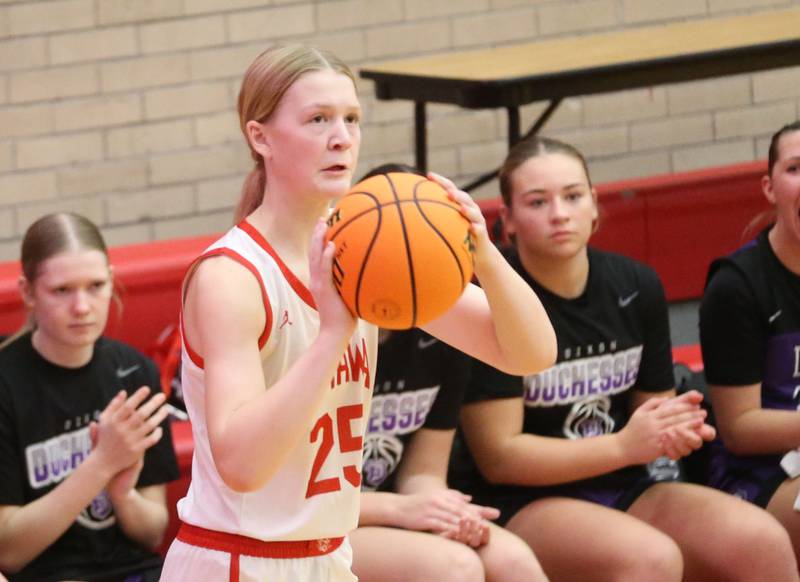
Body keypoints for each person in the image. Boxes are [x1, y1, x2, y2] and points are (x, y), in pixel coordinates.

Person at [160, 45, 556, 582]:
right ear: (261, 138)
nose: (342, 137)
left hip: (327, 557)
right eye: (318, 119)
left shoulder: (368, 249)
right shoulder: (231, 277)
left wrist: (482, 255)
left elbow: (529, 353)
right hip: (239, 561)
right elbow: (242, 465)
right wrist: (331, 336)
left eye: (351, 119)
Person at [451, 135, 799, 581]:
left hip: (625, 483)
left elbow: (653, 416)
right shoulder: (491, 298)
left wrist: (675, 430)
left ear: (594, 204)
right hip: (526, 501)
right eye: (537, 202)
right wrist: (624, 445)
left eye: (573, 197)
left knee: (760, 540)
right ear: (509, 220)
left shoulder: (635, 284)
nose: (559, 214)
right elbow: (500, 457)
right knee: (648, 558)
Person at [349, 164, 547, 582]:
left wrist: (446, 510)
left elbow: (423, 471)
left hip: (393, 510)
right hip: (315, 524)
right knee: (454, 569)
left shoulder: (443, 324)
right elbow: (289, 495)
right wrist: (401, 511)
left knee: (514, 562)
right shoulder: (325, 324)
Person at [0, 212, 179, 582]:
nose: (82, 307)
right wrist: (100, 465)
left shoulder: (135, 373)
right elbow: (9, 553)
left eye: (95, 286)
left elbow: (152, 534)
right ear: (28, 292)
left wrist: (123, 494)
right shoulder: (6, 381)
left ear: (113, 282)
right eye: (62, 290)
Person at [700, 120, 800, 558]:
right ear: (770, 187)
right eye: (796, 168)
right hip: (758, 472)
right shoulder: (736, 285)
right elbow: (739, 429)